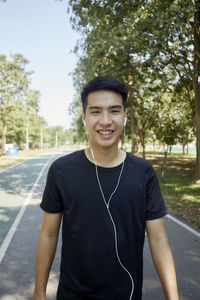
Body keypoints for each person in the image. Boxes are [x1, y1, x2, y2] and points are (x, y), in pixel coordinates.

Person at [34, 76, 179, 300]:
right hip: (73, 295)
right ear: (84, 117)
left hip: (128, 295)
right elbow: (49, 234)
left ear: (124, 116)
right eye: (95, 112)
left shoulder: (143, 172)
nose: (105, 121)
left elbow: (158, 239)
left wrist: (173, 297)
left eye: (114, 111)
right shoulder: (61, 171)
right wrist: (39, 292)